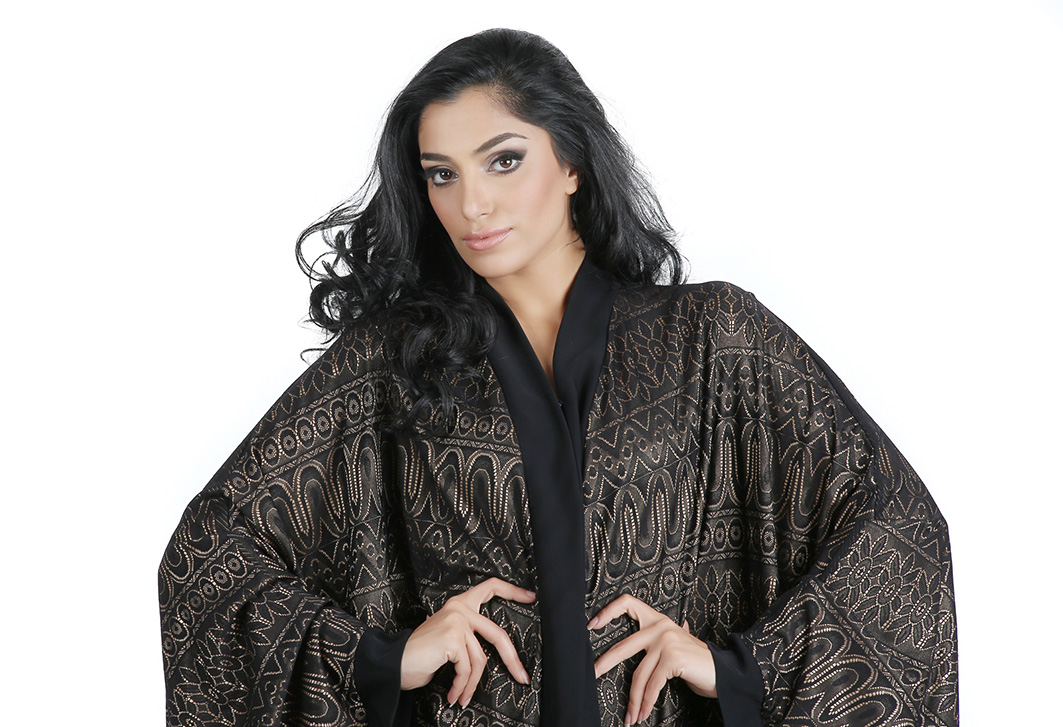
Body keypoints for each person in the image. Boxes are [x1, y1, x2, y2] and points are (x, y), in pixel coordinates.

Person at [159, 28, 958, 727]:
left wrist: (740, 670)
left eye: (503, 161)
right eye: (441, 174)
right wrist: (383, 658)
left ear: (571, 161)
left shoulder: (711, 337)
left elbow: (896, 530)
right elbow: (207, 557)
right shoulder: (391, 362)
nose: (472, 204)